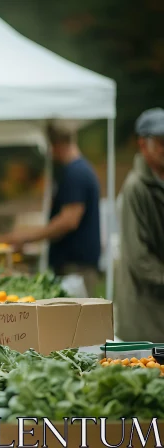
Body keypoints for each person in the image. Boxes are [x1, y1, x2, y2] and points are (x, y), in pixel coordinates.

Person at [0, 123, 102, 296]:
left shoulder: (76, 173)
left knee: (76, 319)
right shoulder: (77, 171)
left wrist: (27, 237)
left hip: (76, 267)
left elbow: (69, 221)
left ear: (56, 145)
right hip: (74, 265)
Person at [114, 107, 164, 342]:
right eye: (160, 142)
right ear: (142, 145)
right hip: (146, 310)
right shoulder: (135, 188)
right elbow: (139, 257)